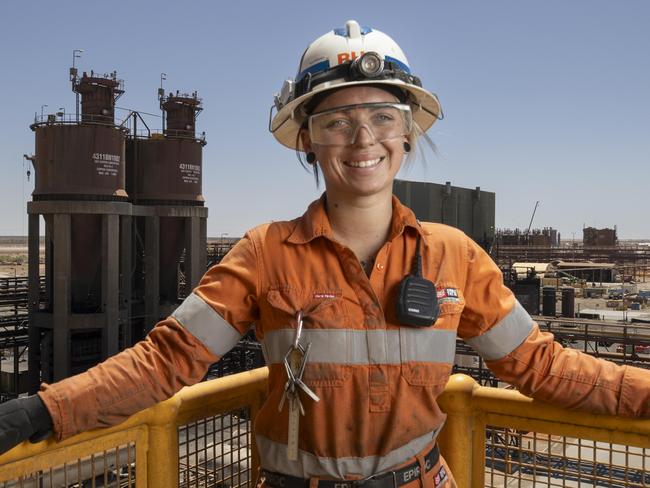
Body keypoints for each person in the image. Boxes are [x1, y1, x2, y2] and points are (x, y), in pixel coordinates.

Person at [1, 20, 650, 488]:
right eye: (336, 121)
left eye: (382, 116)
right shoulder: (265, 256)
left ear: (407, 133)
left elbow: (543, 366)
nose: (362, 137)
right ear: (307, 139)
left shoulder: (456, 258)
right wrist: (40, 410)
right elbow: (165, 362)